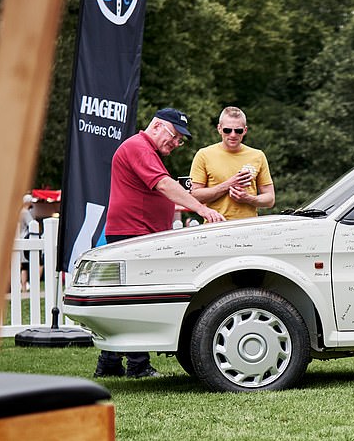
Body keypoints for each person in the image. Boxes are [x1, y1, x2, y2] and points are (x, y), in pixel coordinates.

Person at [94, 108, 226, 379]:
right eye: (175, 136)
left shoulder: (145, 150)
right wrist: (202, 209)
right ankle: (138, 366)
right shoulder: (140, 147)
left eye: (180, 140)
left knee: (126, 299)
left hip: (135, 232)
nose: (177, 144)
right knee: (137, 300)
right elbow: (165, 186)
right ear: (157, 126)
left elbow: (160, 194)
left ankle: (109, 364)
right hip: (134, 234)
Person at [189, 107, 275, 220]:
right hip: (215, 227)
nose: (233, 135)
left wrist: (249, 198)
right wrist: (228, 184)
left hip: (248, 227)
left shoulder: (257, 155)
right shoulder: (204, 155)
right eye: (227, 130)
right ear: (219, 128)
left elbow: (270, 199)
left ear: (245, 130)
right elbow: (194, 196)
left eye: (238, 130)